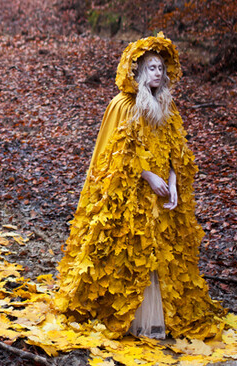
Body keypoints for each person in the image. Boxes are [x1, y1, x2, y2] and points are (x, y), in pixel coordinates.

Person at [54, 32, 225, 340]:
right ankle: (124, 313)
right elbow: (115, 155)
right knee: (132, 249)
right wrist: (147, 176)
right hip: (130, 194)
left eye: (160, 68)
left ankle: (165, 315)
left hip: (162, 197)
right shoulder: (123, 105)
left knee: (162, 251)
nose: (157, 73)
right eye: (151, 68)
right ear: (137, 71)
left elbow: (175, 152)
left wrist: (172, 181)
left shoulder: (167, 106)